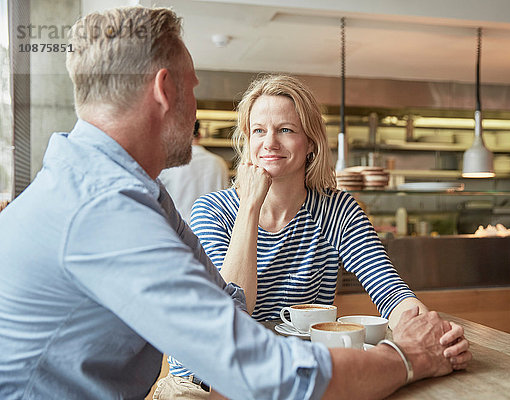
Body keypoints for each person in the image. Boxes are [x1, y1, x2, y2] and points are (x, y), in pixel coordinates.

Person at [0, 6, 470, 400]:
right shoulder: (105, 210)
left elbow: (228, 304)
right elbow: (264, 372)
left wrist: (419, 331)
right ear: (166, 90)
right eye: (195, 87)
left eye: (286, 129)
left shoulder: (134, 193)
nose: (198, 110)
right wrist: (407, 358)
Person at [161, 74, 470, 397]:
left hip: (291, 380)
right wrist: (250, 207)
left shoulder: (336, 211)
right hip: (203, 385)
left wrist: (435, 336)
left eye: (285, 130)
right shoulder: (212, 211)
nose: (269, 143)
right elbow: (232, 314)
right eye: (259, 131)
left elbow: (390, 292)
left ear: (310, 143)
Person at [159, 121, 229, 222]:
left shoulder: (171, 164)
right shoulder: (219, 163)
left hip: (178, 228)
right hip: (212, 228)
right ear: (200, 135)